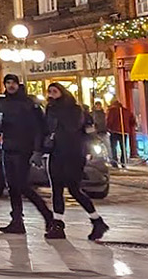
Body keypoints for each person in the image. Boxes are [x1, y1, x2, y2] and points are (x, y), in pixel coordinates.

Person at [0, 73, 56, 236]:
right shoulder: (2, 104)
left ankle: (47, 216)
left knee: (23, 186)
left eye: (13, 82)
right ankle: (17, 220)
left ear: (18, 84)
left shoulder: (29, 104)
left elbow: (39, 129)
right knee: (12, 186)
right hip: (8, 148)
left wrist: (37, 150)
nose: (10, 86)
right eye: (7, 83)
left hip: (24, 149)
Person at [43, 82, 108, 241]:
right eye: (50, 91)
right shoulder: (50, 110)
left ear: (62, 92)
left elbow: (85, 130)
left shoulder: (76, 110)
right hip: (56, 153)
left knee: (74, 189)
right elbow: (46, 130)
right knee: (56, 189)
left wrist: (90, 149)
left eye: (55, 91)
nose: (52, 94)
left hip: (74, 153)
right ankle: (58, 225)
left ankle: (97, 220)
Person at [105, 98, 136, 168]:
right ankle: (123, 162)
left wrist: (108, 128)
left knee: (113, 147)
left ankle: (115, 162)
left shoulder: (112, 111)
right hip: (124, 132)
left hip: (114, 131)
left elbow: (109, 121)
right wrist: (129, 127)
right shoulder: (127, 111)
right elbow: (133, 121)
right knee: (123, 148)